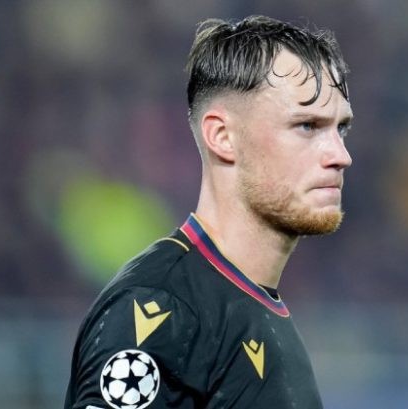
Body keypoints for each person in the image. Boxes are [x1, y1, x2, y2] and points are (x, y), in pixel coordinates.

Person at [64, 15, 353, 409]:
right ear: (222, 137)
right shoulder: (163, 308)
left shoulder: (255, 310)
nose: (340, 155)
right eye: (307, 126)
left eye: (341, 128)